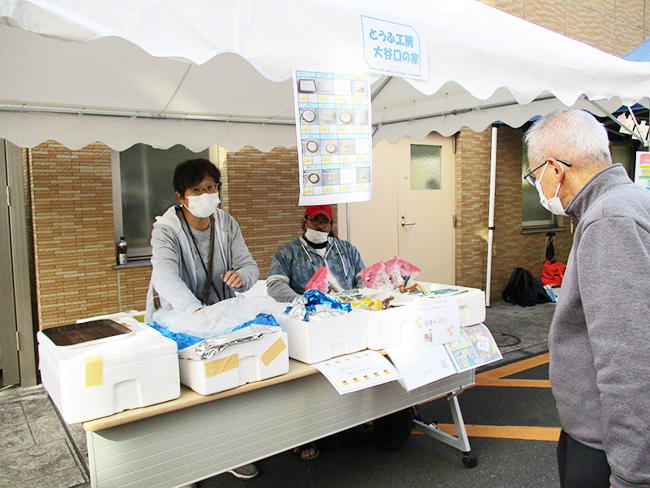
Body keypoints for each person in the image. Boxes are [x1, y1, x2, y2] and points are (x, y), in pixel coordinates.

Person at [524, 109, 650, 488]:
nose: (539, 187)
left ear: (555, 169)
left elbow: (627, 356)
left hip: (606, 448)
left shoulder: (609, 219)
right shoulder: (631, 200)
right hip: (602, 436)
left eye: (534, 177)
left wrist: (631, 474)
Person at [145, 158, 260, 481]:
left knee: (226, 387)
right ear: (181, 197)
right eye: (197, 190)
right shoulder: (166, 229)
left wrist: (242, 278)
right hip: (181, 320)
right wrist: (194, 312)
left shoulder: (226, 223)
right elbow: (165, 277)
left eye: (211, 187)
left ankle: (232, 452)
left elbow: (249, 265)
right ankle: (183, 468)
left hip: (221, 318)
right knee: (183, 398)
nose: (207, 194)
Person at [267, 205, 366, 302]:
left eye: (325, 222)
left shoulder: (347, 249)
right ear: (305, 221)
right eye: (315, 221)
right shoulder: (287, 253)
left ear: (331, 224)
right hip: (311, 313)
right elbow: (275, 284)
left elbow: (363, 277)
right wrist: (301, 301)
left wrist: (360, 298)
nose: (320, 226)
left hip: (349, 310)